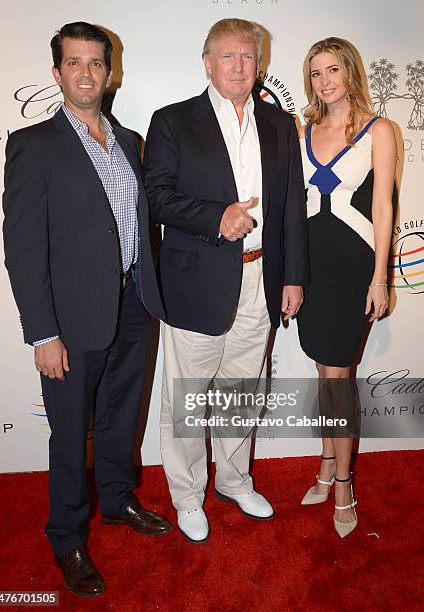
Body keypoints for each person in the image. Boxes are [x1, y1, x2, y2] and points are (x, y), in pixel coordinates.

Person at [2, 22, 171, 597]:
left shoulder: (127, 142)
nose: (86, 73)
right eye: (73, 63)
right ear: (57, 73)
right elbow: (23, 250)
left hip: (133, 305)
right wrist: (42, 332)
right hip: (71, 319)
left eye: (96, 63)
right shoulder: (32, 146)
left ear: (109, 72)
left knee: (122, 418)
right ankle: (68, 537)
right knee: (72, 432)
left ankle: (119, 501)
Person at [143, 18, 308, 543]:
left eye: (248, 57)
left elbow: (291, 206)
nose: (239, 67)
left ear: (259, 64)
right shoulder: (172, 121)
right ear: (208, 62)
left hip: (263, 278)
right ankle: (188, 496)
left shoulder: (281, 125)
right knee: (188, 400)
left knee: (242, 392)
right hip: (196, 282)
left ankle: (236, 481)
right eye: (228, 57)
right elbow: (157, 195)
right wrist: (217, 218)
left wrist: (293, 276)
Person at [296, 37, 396, 537]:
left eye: (333, 70)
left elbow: (383, 209)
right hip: (310, 265)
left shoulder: (380, 131)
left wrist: (381, 277)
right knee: (323, 373)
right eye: (316, 73)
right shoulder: (302, 129)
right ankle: (324, 462)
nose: (325, 81)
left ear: (350, 72)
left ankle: (342, 485)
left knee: (338, 378)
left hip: (352, 267)